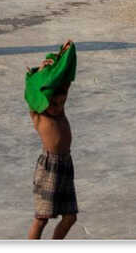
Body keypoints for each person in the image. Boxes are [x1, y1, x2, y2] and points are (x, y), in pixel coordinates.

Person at [27, 40, 78, 240]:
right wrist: (41, 71)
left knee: (70, 217)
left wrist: (62, 55)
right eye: (53, 103)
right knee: (42, 218)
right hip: (49, 167)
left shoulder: (60, 109)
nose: (57, 106)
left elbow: (64, 78)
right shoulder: (40, 115)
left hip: (66, 163)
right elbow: (33, 91)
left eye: (61, 102)